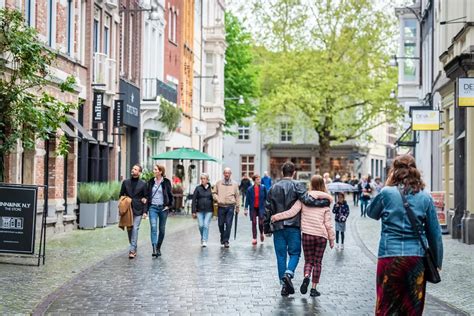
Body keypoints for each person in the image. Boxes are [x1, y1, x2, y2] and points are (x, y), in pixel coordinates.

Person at [367, 154, 443, 316]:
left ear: (394, 171)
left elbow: (371, 213)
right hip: (415, 259)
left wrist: (386, 187)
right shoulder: (425, 196)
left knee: (386, 307)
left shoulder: (386, 193)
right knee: (412, 307)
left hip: (389, 257)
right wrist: (437, 261)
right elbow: (435, 233)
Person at [264, 162, 331, 297]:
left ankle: (284, 286)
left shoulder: (273, 188)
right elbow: (307, 200)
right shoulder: (297, 185)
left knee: (281, 256)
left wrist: (266, 228)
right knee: (295, 254)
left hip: (278, 227)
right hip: (293, 226)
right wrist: (324, 202)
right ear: (293, 172)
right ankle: (289, 273)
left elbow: (267, 209)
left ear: (283, 172)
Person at [119, 164, 148, 259]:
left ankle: (131, 250)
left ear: (139, 172)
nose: (133, 170)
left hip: (138, 209)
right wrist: (122, 205)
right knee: (129, 229)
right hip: (128, 209)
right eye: (132, 168)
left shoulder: (143, 184)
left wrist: (145, 212)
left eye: (135, 169)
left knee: (135, 228)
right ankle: (134, 247)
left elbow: (145, 198)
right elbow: (121, 195)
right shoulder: (125, 182)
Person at [147, 164, 174, 257]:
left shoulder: (166, 182)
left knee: (161, 229)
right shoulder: (151, 181)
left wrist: (169, 206)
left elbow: (170, 195)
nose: (153, 171)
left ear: (160, 171)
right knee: (153, 227)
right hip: (153, 207)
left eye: (155, 169)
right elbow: (147, 194)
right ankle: (154, 248)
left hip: (163, 208)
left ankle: (158, 247)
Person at [213, 168, 240, 248]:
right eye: (225, 173)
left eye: (228, 173)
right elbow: (214, 193)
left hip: (230, 206)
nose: (227, 174)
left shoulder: (234, 184)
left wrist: (238, 206)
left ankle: (226, 241)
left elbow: (237, 196)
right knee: (220, 224)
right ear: (223, 174)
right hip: (221, 206)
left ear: (230, 174)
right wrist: (218, 198)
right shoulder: (218, 183)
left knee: (228, 224)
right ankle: (222, 236)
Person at [244, 174, 267, 245]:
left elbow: (266, 198)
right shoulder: (249, 189)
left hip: (261, 208)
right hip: (253, 208)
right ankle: (254, 238)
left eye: (260, 179)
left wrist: (268, 207)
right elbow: (247, 199)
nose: (259, 181)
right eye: (257, 179)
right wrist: (245, 209)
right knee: (254, 223)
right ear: (254, 181)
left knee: (261, 223)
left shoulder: (263, 188)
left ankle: (261, 233)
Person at [192, 173, 214, 247]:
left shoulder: (211, 188)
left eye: (204, 179)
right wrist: (193, 211)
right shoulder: (198, 188)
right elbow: (194, 200)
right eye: (201, 178)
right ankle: (203, 237)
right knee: (201, 225)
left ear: (207, 180)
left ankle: (204, 240)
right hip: (199, 211)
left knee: (205, 225)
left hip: (209, 210)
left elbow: (214, 199)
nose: (202, 180)